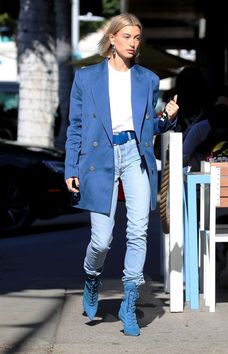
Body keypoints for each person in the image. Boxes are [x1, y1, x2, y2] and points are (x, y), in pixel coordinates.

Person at [64, 13, 179, 337]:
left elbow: (148, 128)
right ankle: (91, 276)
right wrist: (71, 168)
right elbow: (76, 128)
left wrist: (166, 118)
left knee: (139, 231)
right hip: (99, 159)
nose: (133, 43)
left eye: (137, 37)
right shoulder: (86, 78)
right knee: (101, 240)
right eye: (127, 36)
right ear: (112, 38)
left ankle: (129, 302)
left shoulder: (147, 79)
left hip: (134, 155)